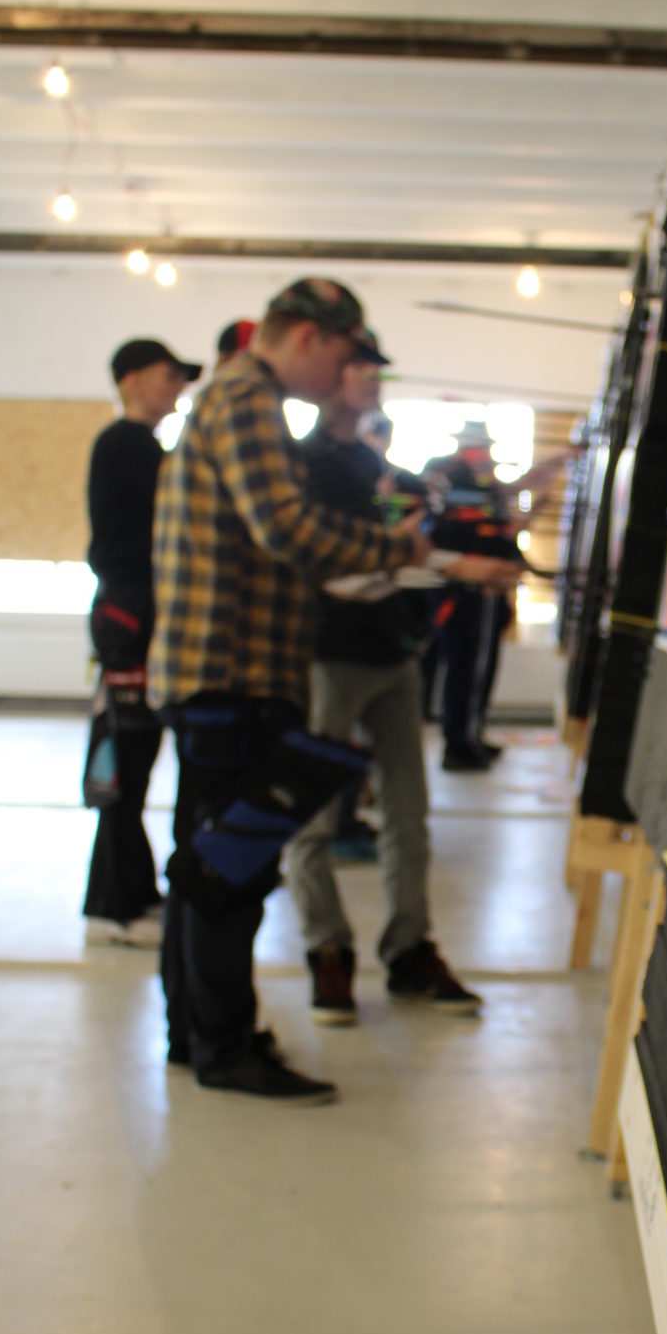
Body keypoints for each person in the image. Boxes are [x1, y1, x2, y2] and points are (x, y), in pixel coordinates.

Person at [147, 277, 435, 1105]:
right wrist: (395, 550)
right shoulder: (248, 399)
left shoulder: (235, 397)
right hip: (231, 674)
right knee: (231, 868)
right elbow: (285, 526)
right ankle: (225, 1046)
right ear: (307, 336)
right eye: (341, 355)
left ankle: (195, 1032)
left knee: (206, 860)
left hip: (221, 673)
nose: (343, 375)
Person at [285, 336, 516, 1024]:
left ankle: (409, 950)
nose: (372, 379)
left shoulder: (370, 464)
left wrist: (443, 563)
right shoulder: (303, 463)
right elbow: (333, 559)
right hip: (328, 653)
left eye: (375, 369)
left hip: (391, 650)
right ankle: (326, 950)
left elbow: (391, 554)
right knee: (313, 816)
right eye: (359, 366)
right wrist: (449, 565)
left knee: (408, 814)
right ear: (328, 373)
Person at [83, 335, 202, 946]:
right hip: (130, 619)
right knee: (126, 764)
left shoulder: (145, 446)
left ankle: (131, 892)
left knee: (138, 758)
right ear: (130, 378)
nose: (176, 387)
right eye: (167, 375)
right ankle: (114, 906)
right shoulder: (125, 444)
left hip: (139, 616)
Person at [429, 438, 518, 771]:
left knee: (475, 672)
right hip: (469, 595)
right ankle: (461, 743)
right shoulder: (458, 482)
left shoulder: (475, 485)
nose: (487, 459)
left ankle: (470, 736)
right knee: (467, 671)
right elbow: (472, 534)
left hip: (478, 594)